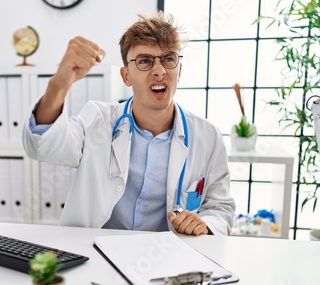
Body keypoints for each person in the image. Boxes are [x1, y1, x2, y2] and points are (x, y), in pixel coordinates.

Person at [22, 11, 235, 235]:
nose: (160, 71)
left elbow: (220, 208)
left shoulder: (207, 137)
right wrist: (59, 84)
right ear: (126, 76)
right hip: (95, 254)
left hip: (167, 257)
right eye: (144, 61)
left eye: (168, 59)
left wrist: (206, 224)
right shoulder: (98, 120)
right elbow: (43, 145)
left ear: (179, 69)